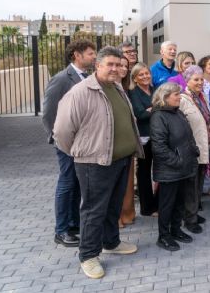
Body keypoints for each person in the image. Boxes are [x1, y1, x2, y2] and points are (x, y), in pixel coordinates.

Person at [53, 46, 143, 279]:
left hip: (121, 160)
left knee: (113, 205)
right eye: (109, 64)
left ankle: (111, 242)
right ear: (98, 65)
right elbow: (62, 132)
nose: (115, 69)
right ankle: (88, 255)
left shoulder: (116, 88)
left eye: (118, 64)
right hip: (95, 163)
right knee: (94, 210)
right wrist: (81, 153)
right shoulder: (81, 92)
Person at [42, 39, 96, 248]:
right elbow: (48, 114)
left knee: (77, 183)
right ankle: (62, 229)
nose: (93, 56)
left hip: (83, 143)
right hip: (67, 144)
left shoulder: (88, 77)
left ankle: (74, 225)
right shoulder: (62, 79)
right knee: (66, 183)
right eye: (90, 53)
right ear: (76, 54)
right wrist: (58, 140)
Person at [150, 83, 200, 251]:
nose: (179, 97)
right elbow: (159, 147)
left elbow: (188, 136)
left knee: (179, 202)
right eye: (176, 95)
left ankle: (176, 229)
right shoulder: (159, 117)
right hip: (170, 170)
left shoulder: (177, 112)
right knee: (167, 205)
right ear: (165, 97)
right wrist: (178, 162)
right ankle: (163, 236)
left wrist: (194, 151)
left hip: (184, 167)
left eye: (178, 94)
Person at [178, 65, 210, 234]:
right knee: (190, 186)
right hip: (191, 149)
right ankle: (189, 220)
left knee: (198, 183)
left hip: (204, 147)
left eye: (201, 79)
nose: (199, 82)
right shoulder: (182, 100)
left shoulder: (202, 97)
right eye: (195, 79)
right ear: (187, 81)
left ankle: (194, 214)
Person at [127, 63, 158, 217]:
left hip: (157, 135)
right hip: (144, 137)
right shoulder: (133, 93)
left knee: (158, 171)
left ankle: (157, 203)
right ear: (135, 78)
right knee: (144, 173)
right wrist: (155, 108)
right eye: (141, 75)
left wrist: (151, 109)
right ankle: (147, 208)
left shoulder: (153, 90)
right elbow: (140, 114)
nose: (145, 76)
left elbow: (157, 108)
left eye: (147, 73)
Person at [118, 55, 135, 228]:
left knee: (128, 181)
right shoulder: (108, 87)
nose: (123, 69)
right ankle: (116, 217)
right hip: (115, 144)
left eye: (125, 66)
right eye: (119, 65)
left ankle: (127, 213)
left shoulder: (126, 88)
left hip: (128, 142)